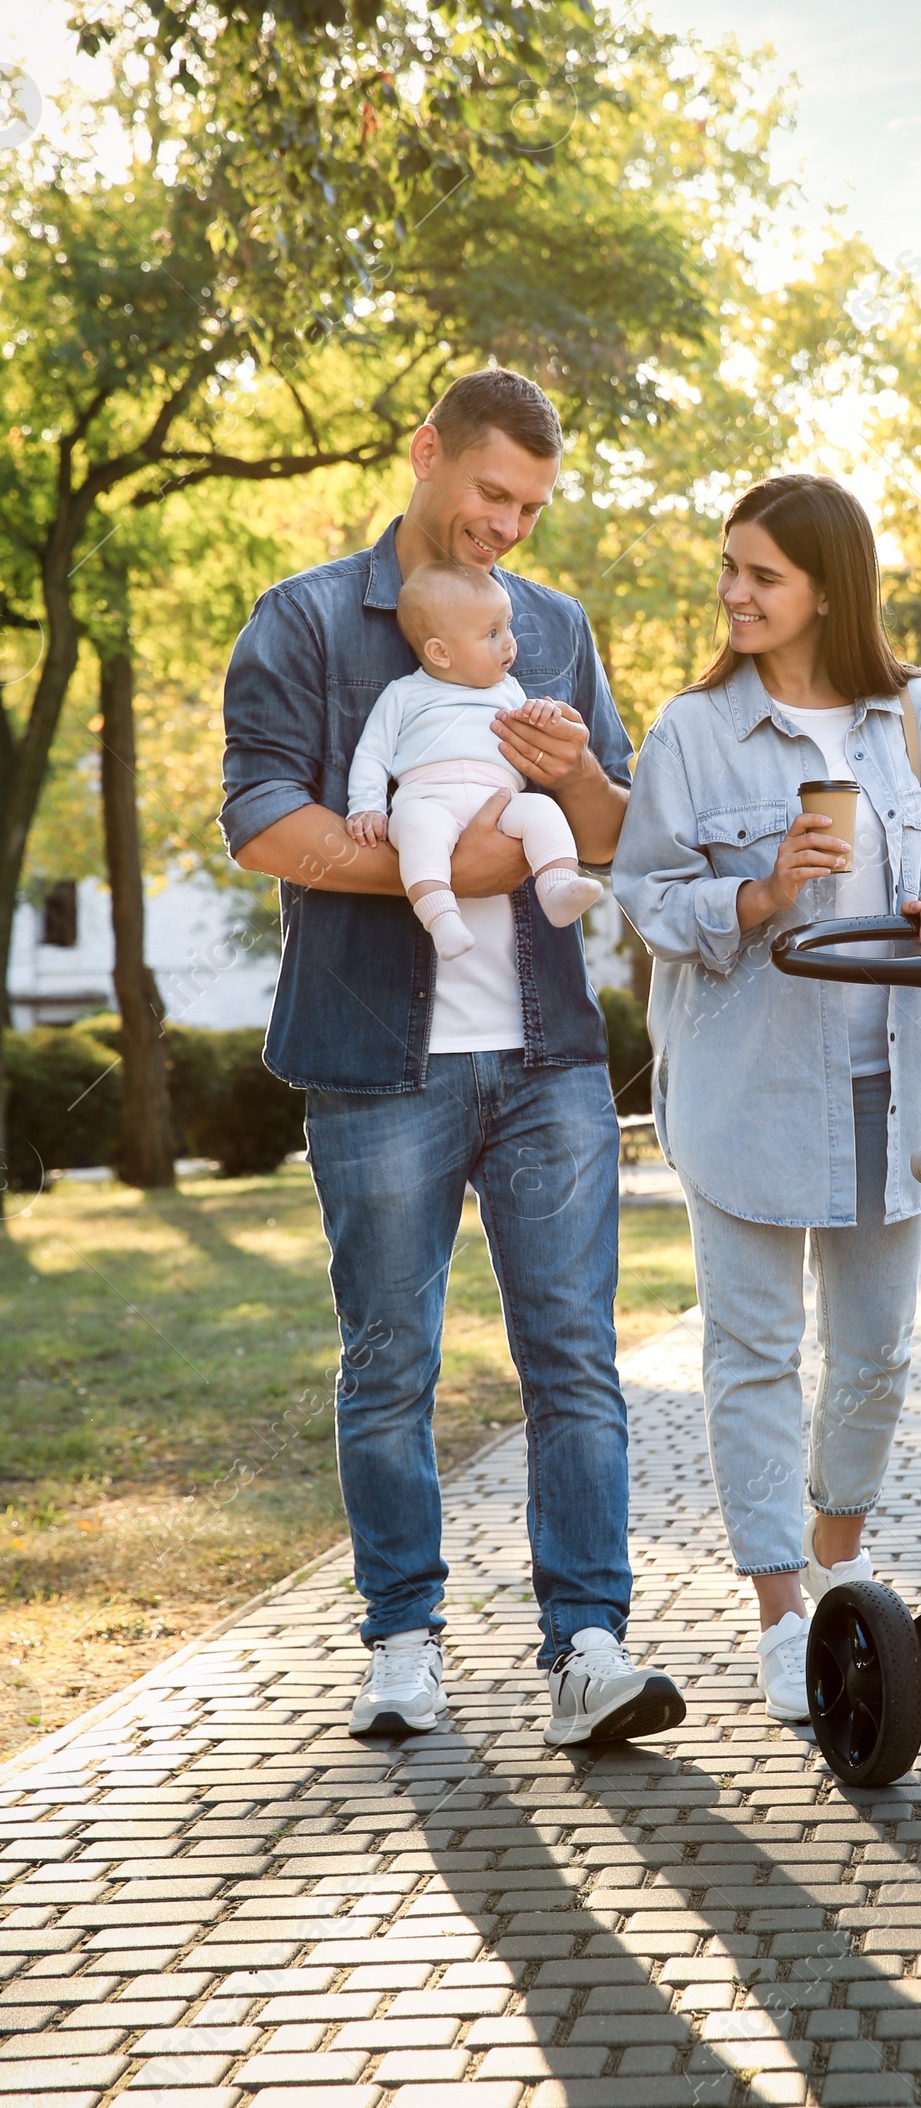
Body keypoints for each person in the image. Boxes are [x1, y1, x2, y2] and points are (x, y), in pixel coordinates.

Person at [220, 366, 685, 1750]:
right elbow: (263, 823)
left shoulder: (554, 625)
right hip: (377, 1061)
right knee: (388, 1364)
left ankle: (588, 1648)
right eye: (492, 494)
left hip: (547, 1060)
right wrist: (469, 859)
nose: (509, 529)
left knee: (576, 1361)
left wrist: (572, 783)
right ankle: (403, 1643)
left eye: (533, 507)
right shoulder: (306, 620)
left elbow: (610, 826)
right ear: (427, 453)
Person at [612, 473, 921, 1720]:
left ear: (828, 588)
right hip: (746, 1087)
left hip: (889, 1083)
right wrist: (764, 893)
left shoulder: (914, 715)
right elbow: (648, 897)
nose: (733, 593)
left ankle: (843, 1558)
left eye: (761, 575)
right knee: (755, 1354)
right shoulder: (691, 733)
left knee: (878, 1351)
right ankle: (783, 1613)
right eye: (727, 568)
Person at [344, 559, 603, 958]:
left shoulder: (511, 690)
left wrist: (545, 714)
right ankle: (441, 918)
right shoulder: (403, 694)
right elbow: (372, 755)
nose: (509, 643)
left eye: (509, 626)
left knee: (542, 810)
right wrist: (367, 807)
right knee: (417, 832)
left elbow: (534, 729)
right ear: (440, 652)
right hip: (428, 800)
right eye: (492, 633)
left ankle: (557, 887)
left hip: (499, 803)